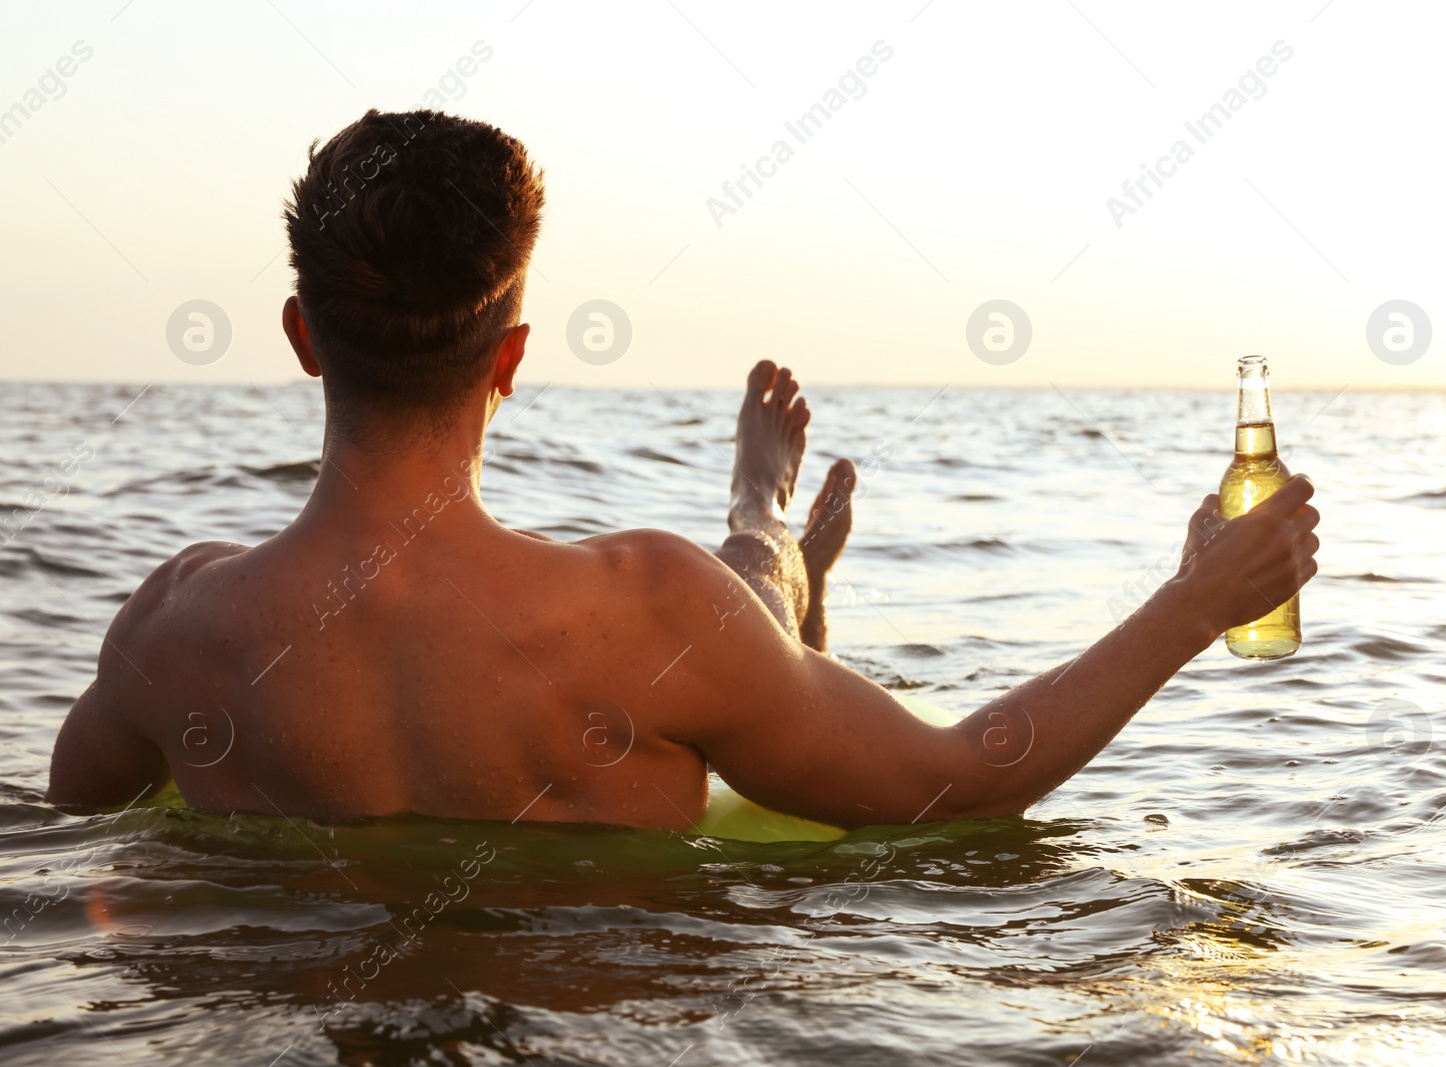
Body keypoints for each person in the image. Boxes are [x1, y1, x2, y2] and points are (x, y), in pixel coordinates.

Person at [46, 110, 1320, 830]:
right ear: (513, 359)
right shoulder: (643, 610)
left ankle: (775, 567)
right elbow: (956, 779)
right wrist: (1194, 603)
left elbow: (67, 834)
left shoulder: (176, 629)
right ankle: (764, 528)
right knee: (723, 615)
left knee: (733, 621)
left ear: (302, 339)